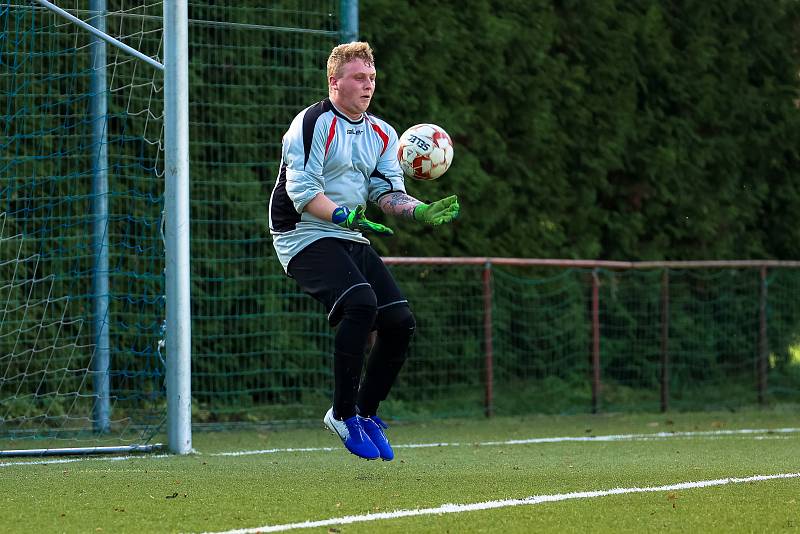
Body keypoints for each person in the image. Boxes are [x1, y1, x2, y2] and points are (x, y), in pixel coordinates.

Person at [268, 41, 459, 461]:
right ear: (334, 81)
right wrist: (342, 216)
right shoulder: (312, 122)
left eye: (372, 77)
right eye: (359, 77)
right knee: (360, 302)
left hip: (348, 235)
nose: (368, 85)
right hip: (301, 233)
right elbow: (301, 192)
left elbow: (386, 192)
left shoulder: (383, 132)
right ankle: (341, 413)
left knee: (400, 320)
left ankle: (366, 414)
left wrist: (420, 211)